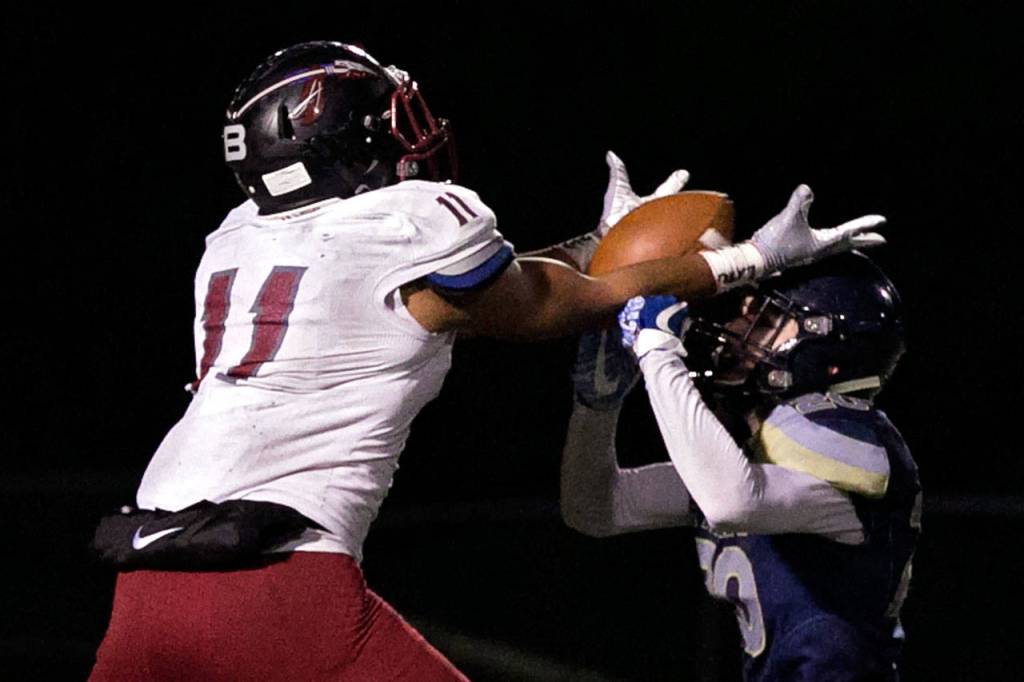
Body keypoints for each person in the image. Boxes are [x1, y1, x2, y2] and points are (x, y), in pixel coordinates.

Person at [88, 40, 886, 681]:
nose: (411, 131)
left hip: (143, 592)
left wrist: (591, 244)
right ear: (342, 141)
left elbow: (452, 298)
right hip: (280, 586)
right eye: (389, 120)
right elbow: (548, 309)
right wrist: (745, 260)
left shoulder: (235, 240)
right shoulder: (413, 220)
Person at [561, 251, 920, 680]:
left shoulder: (856, 436)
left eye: (765, 321)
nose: (736, 328)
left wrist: (657, 352)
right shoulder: (756, 453)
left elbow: (731, 501)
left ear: (824, 343)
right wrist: (598, 404)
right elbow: (596, 506)